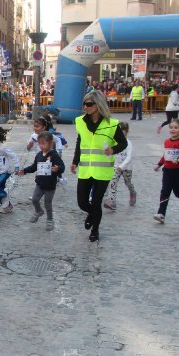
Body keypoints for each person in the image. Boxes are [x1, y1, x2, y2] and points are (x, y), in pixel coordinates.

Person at [71, 90, 128, 242]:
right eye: (84, 104)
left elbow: (123, 143)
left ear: (99, 104)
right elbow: (80, 143)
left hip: (103, 171)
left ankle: (95, 230)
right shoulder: (80, 121)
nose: (86, 107)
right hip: (85, 169)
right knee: (82, 202)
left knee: (96, 202)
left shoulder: (111, 124)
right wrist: (75, 161)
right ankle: (91, 214)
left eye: (89, 104)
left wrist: (113, 149)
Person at [18, 132, 65, 231]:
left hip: (50, 184)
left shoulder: (54, 155)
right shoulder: (39, 154)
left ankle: (50, 220)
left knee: (47, 203)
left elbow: (62, 166)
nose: (41, 145)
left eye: (43, 143)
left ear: (50, 143)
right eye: (39, 143)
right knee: (34, 199)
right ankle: (39, 211)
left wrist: (58, 169)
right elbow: (34, 167)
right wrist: (24, 170)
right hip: (40, 183)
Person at [153, 118, 179, 224]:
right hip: (167, 171)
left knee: (178, 192)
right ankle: (161, 214)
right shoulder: (167, 142)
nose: (173, 129)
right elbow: (166, 155)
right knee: (165, 191)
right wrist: (159, 164)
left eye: (176, 128)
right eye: (171, 127)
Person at [103, 122, 136, 210]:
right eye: (121, 130)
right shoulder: (114, 142)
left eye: (124, 130)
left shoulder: (128, 143)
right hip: (116, 166)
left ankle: (133, 192)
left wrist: (122, 166)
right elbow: (112, 153)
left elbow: (129, 157)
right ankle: (112, 202)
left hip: (126, 168)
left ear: (127, 131)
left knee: (128, 183)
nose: (122, 132)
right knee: (113, 182)